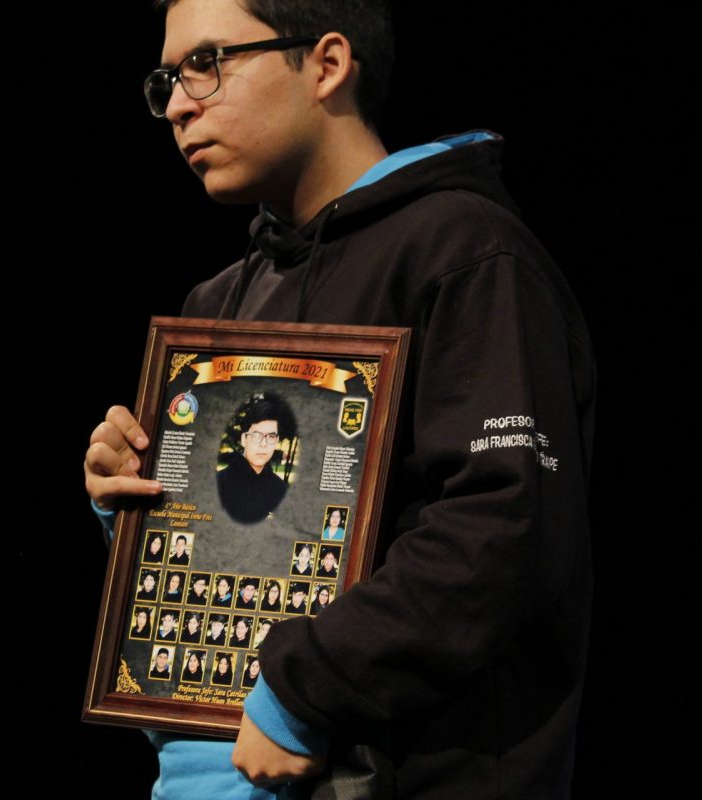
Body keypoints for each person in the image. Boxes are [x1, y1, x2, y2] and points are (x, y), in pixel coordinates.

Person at [84, 1, 595, 796]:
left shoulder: (463, 250)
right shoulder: (219, 301)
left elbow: (504, 524)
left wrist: (306, 689)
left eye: (207, 63)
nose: (179, 104)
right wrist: (140, 505)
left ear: (326, 65)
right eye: (168, 79)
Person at [213, 393, 296, 524]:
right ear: (244, 439)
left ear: (276, 441)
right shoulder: (218, 484)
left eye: (271, 437)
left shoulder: (281, 490)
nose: (263, 444)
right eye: (257, 435)